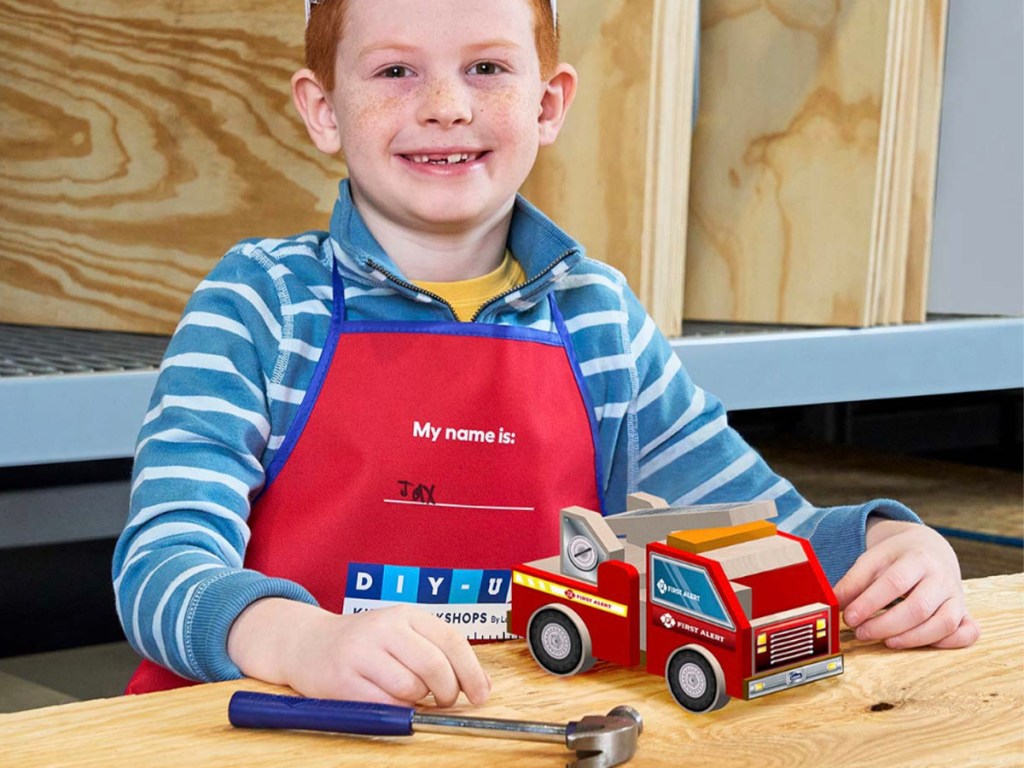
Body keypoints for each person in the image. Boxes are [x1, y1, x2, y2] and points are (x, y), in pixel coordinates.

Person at [113, 0, 979, 707]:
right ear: (322, 110)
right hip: (256, 730)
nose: (445, 104)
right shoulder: (261, 304)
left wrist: (887, 549)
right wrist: (300, 642)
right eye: (394, 70)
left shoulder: (598, 321)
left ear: (549, 103)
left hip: (503, 728)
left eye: (486, 68)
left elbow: (756, 525)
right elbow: (160, 566)